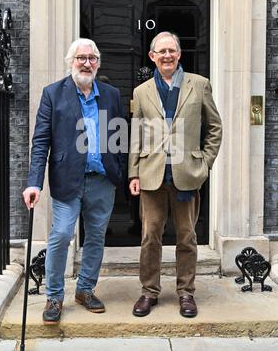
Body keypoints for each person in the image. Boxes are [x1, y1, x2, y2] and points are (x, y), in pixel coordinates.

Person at [23, 38, 124, 324]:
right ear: (71, 62)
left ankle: (85, 289)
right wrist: (34, 183)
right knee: (62, 235)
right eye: (81, 58)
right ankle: (54, 295)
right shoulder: (53, 94)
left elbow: (121, 136)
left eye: (92, 58)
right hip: (67, 179)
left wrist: (123, 171)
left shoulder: (111, 94)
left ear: (98, 63)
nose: (87, 63)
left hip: (102, 180)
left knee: (96, 237)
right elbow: (41, 141)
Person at [128, 31, 222, 318]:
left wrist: (205, 163)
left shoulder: (200, 84)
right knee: (150, 237)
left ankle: (186, 293)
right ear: (152, 56)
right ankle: (149, 291)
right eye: (161, 51)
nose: (167, 55)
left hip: (186, 175)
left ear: (179, 54)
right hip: (152, 176)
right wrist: (133, 173)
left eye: (172, 50)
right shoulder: (141, 91)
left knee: (187, 237)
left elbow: (214, 128)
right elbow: (136, 134)